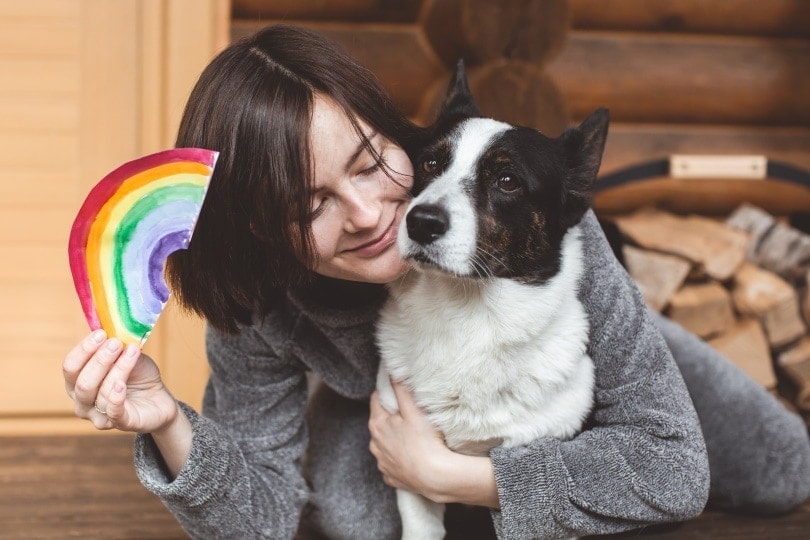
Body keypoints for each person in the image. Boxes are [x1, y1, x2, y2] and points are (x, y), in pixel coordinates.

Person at [62, 24, 810, 539]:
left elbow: (675, 474)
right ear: (263, 227)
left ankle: (637, 346)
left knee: (781, 469)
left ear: (396, 129)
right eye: (311, 203)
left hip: (548, 355)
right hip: (392, 394)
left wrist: (463, 478)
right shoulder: (266, 304)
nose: (367, 215)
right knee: (358, 517)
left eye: (367, 164)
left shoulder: (539, 226)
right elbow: (257, 519)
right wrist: (167, 419)